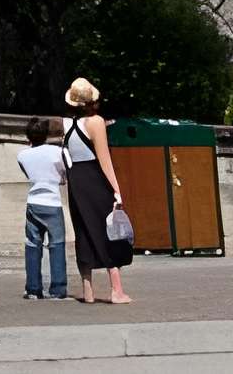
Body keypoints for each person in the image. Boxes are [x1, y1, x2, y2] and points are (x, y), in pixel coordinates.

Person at [62, 78, 134, 305]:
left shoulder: (66, 123)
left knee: (83, 229)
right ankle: (116, 290)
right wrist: (116, 190)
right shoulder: (96, 122)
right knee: (108, 230)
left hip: (76, 179)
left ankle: (88, 289)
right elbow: (105, 160)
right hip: (94, 178)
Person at [16, 116, 69, 300]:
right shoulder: (57, 152)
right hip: (52, 201)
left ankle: (32, 288)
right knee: (57, 245)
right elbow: (65, 172)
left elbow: (27, 173)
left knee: (32, 244)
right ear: (46, 134)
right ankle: (58, 288)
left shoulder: (22, 155)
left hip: (33, 201)